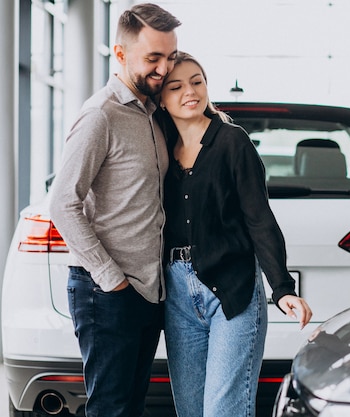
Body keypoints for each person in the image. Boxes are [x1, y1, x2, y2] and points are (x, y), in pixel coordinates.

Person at [157, 52, 313, 417]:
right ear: (161, 98)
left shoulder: (232, 141)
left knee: (223, 411)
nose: (190, 91)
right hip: (177, 296)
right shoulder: (160, 148)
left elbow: (259, 219)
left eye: (197, 81)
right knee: (192, 412)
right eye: (176, 86)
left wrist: (283, 288)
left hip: (232, 291)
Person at [49, 4, 180, 417]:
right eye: (153, 58)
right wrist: (112, 281)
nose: (164, 68)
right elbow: (62, 203)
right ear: (120, 55)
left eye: (170, 56)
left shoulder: (154, 114)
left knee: (130, 408)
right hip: (107, 292)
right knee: (110, 409)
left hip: (147, 290)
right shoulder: (99, 115)